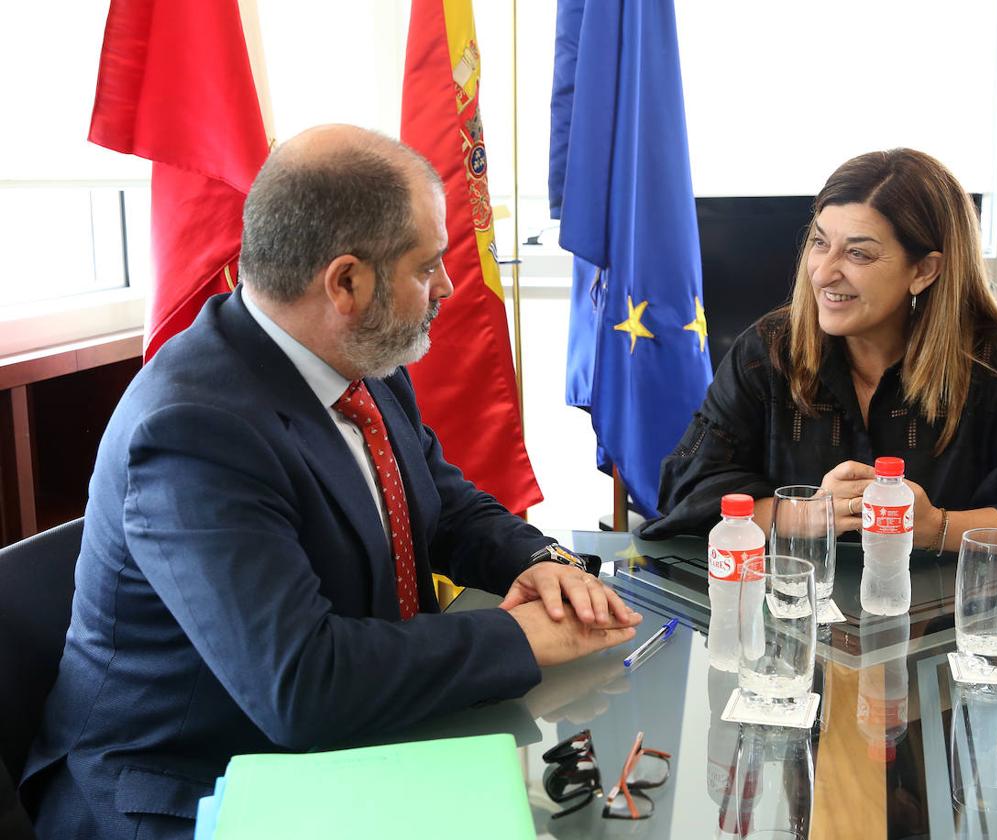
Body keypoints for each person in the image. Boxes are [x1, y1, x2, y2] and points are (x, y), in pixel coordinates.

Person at [22, 125, 641, 840]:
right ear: (346, 282)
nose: (445, 286)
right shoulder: (193, 430)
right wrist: (517, 637)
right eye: (426, 266)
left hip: (343, 750)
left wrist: (546, 566)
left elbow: (444, 509)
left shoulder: (359, 358)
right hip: (185, 786)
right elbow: (303, 685)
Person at [642, 149, 997, 555]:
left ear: (924, 270)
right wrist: (806, 513)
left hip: (942, 638)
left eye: (858, 253)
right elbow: (685, 493)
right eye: (819, 243)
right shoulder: (767, 350)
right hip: (790, 632)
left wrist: (939, 527)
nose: (823, 272)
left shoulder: (990, 363)